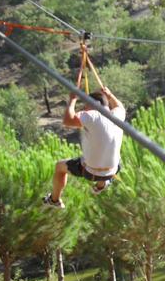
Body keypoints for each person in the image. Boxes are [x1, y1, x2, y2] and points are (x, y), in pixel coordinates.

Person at [43, 71, 126, 208]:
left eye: (85, 105)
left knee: (60, 167)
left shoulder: (92, 115)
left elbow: (68, 120)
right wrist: (110, 95)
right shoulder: (117, 114)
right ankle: (102, 184)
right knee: (111, 149)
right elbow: (119, 106)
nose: (84, 108)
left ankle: (55, 200)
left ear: (91, 105)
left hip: (90, 172)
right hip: (113, 170)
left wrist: (72, 100)